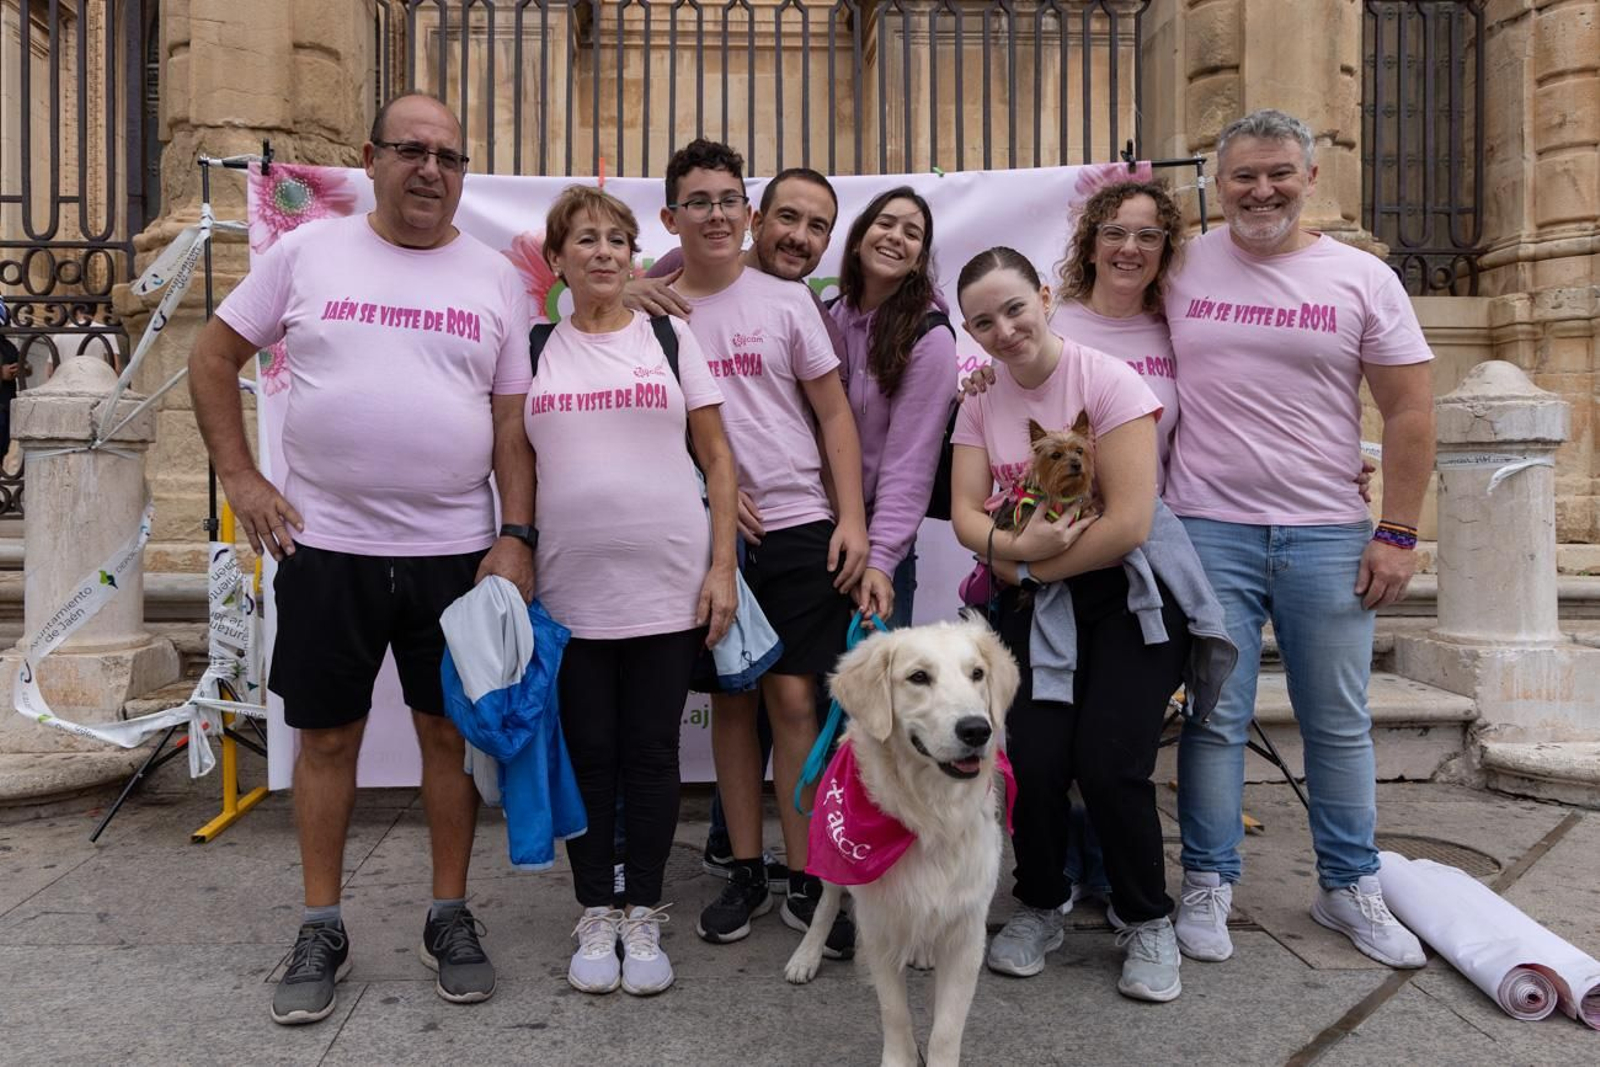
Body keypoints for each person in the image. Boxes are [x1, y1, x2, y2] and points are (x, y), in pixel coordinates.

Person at [189, 93, 533, 1024]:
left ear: (463, 175)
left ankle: (449, 914)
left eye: (449, 157)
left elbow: (511, 422)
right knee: (328, 739)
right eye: (412, 151)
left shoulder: (498, 278)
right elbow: (211, 358)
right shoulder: (307, 253)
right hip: (326, 544)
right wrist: (242, 479)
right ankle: (321, 925)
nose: (430, 170)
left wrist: (516, 534)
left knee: (447, 738)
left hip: (455, 553)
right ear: (371, 158)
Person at [1163, 108, 1433, 969]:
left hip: (1326, 532)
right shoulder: (1179, 265)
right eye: (1243, 175)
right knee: (1215, 716)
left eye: (1279, 172)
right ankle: (1208, 879)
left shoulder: (1361, 278)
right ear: (1217, 183)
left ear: (1311, 178)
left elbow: (1409, 409)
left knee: (1338, 721)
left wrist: (1398, 529)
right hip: (1207, 526)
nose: (1262, 190)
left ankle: (1347, 884)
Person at [950, 246, 1229, 1003]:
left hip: (1129, 597)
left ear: (1045, 298)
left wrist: (1031, 566)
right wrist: (1017, 558)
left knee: (1110, 762)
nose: (1005, 330)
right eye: (984, 321)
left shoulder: (1108, 381)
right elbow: (966, 515)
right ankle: (1041, 903)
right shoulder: (979, 400)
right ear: (971, 333)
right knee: (1034, 762)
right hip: (1034, 601)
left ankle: (1147, 918)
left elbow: (1130, 522)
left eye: (1015, 308)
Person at [523, 185, 740, 996]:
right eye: (586, 239)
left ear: (634, 256)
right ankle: (596, 909)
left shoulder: (670, 337)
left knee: (651, 754)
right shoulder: (533, 346)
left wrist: (722, 567)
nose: (605, 251)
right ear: (558, 259)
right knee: (590, 754)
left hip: (668, 584)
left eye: (618, 239)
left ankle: (642, 910)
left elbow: (718, 458)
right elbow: (514, 463)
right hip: (569, 592)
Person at [656, 139, 868, 952]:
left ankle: (810, 873)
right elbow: (645, 422)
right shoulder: (653, 311)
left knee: (795, 701)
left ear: (747, 212)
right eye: (698, 201)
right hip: (708, 536)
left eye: (728, 199)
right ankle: (745, 868)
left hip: (800, 523)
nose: (716, 214)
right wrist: (704, 487)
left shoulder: (787, 302)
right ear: (672, 217)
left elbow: (834, 413)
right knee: (733, 705)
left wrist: (852, 520)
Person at [828, 186, 958, 627]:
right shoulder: (825, 317)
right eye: (885, 223)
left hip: (877, 549)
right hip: (811, 530)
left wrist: (881, 559)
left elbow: (911, 461)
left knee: (876, 672)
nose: (896, 237)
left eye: (912, 233)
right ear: (858, 238)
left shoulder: (929, 336)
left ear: (919, 259)